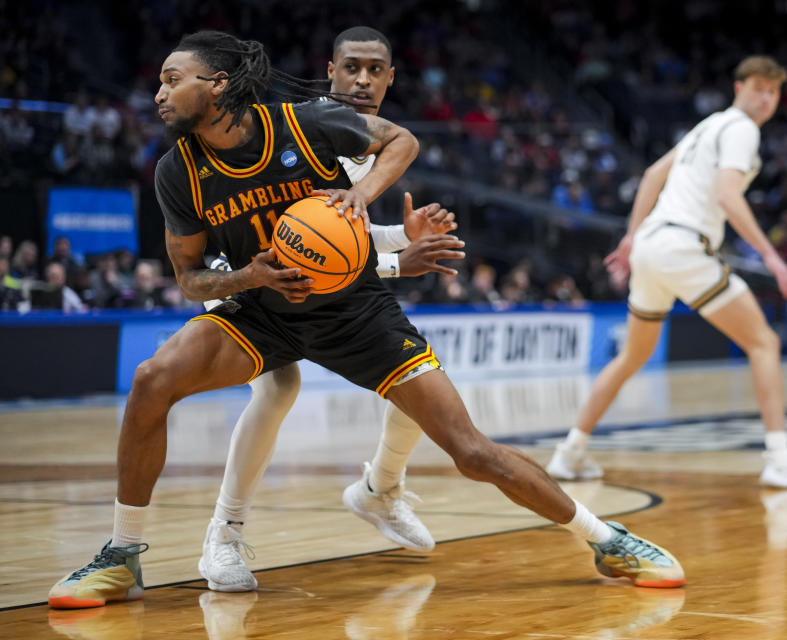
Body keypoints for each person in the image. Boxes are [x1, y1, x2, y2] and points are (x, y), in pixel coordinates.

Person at [48, 30, 683, 610]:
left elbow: (402, 140)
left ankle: (607, 539)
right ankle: (124, 554)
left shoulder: (306, 123)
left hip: (355, 311)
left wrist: (363, 195)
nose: (158, 92)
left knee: (471, 451)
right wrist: (250, 277)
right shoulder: (176, 172)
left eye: (170, 78)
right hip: (262, 309)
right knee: (155, 378)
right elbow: (189, 279)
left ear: (215, 86)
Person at [196, 27, 465, 593]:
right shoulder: (306, 125)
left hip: (303, 275)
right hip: (237, 266)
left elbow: (334, 238)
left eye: (374, 70)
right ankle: (223, 534)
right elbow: (305, 246)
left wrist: (402, 235)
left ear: (391, 78)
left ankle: (380, 489)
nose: (362, 81)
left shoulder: (364, 141)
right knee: (279, 386)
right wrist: (400, 259)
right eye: (351, 68)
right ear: (330, 70)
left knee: (418, 378)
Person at [547, 56, 787, 489]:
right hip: (683, 247)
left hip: (651, 247)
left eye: (774, 92)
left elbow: (651, 176)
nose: (766, 98)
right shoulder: (741, 129)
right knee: (763, 342)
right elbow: (729, 197)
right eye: (759, 88)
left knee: (633, 356)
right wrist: (772, 257)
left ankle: (570, 452)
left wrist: (630, 238)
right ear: (739, 88)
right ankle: (780, 457)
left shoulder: (707, 126)